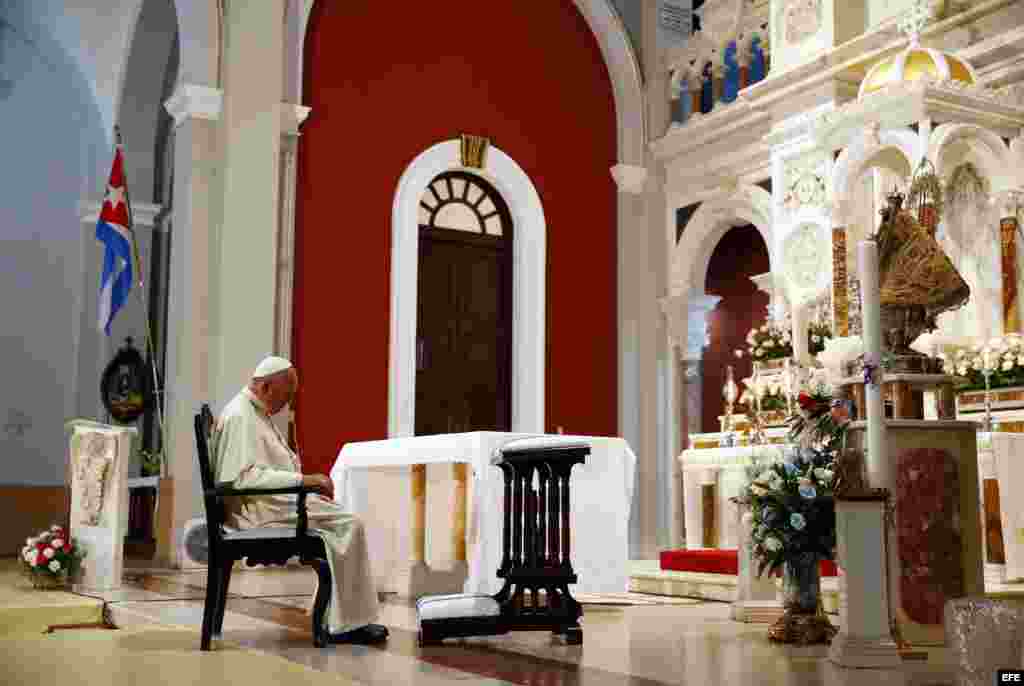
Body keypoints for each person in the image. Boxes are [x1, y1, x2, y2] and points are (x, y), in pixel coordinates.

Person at [212, 355, 388, 644]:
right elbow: (242, 479)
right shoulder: (241, 415)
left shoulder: (254, 412)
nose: (288, 404)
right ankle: (348, 625)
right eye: (285, 396)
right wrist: (303, 481)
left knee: (341, 520)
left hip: (269, 504)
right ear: (266, 387)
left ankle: (339, 616)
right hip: (257, 513)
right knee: (349, 524)